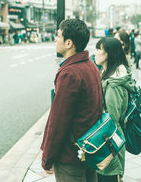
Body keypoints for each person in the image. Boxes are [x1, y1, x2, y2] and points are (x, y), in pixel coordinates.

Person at [41, 19, 102, 182]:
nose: (55, 39)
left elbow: (58, 121)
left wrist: (47, 158)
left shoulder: (70, 73)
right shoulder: (90, 65)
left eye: (58, 35)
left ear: (69, 43)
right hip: (89, 150)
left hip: (70, 157)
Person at [94, 37, 135, 182]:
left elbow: (111, 118)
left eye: (99, 49)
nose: (95, 52)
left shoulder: (113, 85)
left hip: (109, 145)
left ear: (109, 54)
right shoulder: (108, 76)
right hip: (109, 142)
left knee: (110, 177)